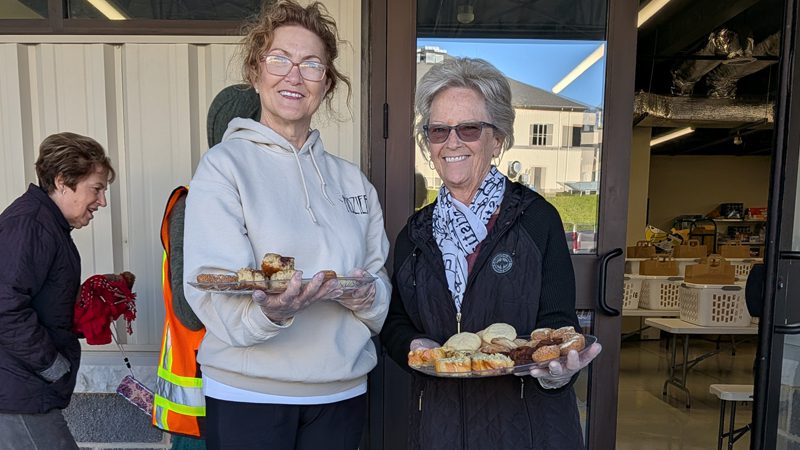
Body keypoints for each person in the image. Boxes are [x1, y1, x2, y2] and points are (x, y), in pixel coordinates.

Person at [181, 1, 390, 449]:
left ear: (327, 83)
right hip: (247, 393)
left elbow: (380, 284)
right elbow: (207, 284)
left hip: (342, 390)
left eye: (311, 64)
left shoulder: (353, 180)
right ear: (256, 73)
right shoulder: (223, 167)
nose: (294, 76)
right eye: (279, 59)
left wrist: (368, 294)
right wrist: (271, 312)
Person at [380, 57, 602, 450]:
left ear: (497, 139)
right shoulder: (413, 235)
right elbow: (396, 323)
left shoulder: (537, 221)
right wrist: (415, 346)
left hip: (527, 431)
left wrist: (556, 374)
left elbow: (556, 324)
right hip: (440, 429)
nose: (452, 142)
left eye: (468, 128)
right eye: (438, 130)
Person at [0, 132, 115, 450]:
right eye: (97, 188)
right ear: (63, 181)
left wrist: (84, 308)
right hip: (18, 393)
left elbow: (32, 297)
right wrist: (52, 365)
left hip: (23, 388)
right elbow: (4, 306)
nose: (102, 201)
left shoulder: (48, 226)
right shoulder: (30, 225)